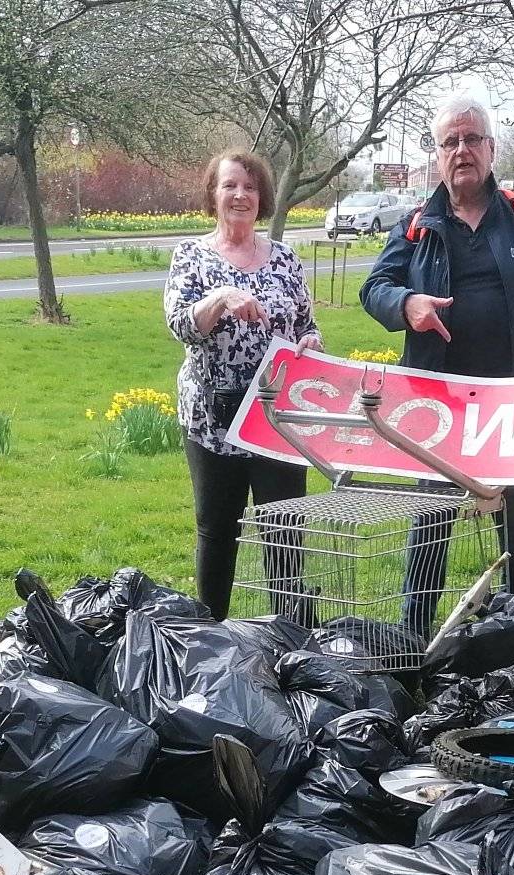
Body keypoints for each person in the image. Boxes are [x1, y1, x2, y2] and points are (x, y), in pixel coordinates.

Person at [359, 96, 514, 632]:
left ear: (491, 149)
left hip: (513, 402)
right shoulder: (418, 225)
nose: (462, 150)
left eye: (472, 139)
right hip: (439, 404)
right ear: (437, 156)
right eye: (450, 142)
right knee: (431, 520)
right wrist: (406, 305)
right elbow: (375, 288)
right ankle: (414, 633)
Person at [163, 150, 323, 620]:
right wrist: (222, 297)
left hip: (278, 419)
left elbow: (306, 325)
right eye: (230, 185)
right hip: (214, 420)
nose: (241, 195)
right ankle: (210, 642)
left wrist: (310, 342)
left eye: (251, 187)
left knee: (285, 532)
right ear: (213, 195)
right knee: (217, 532)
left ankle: (289, 641)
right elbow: (181, 324)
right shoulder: (191, 257)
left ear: (262, 197)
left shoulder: (286, 259)